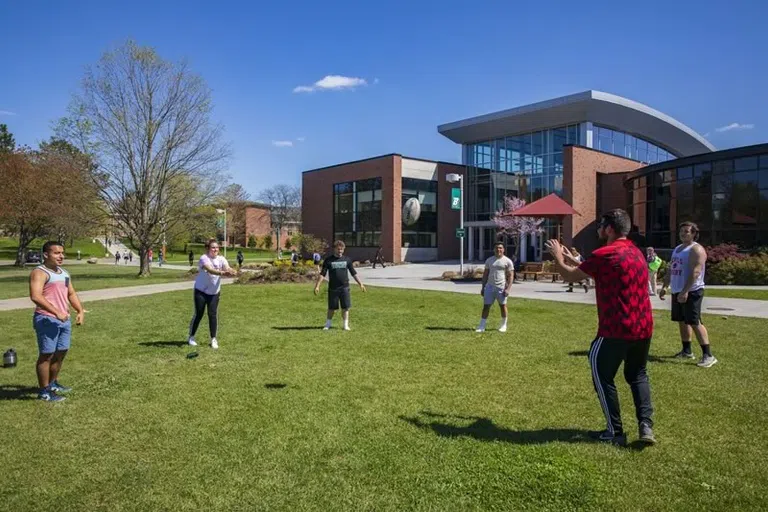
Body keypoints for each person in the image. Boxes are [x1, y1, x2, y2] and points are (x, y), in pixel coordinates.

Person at [546, 209, 655, 447]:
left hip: (616, 328)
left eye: (601, 225)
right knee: (637, 375)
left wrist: (557, 256)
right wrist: (574, 258)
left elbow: (569, 277)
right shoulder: (636, 253)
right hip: (643, 327)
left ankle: (614, 431)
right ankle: (645, 425)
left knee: (602, 374)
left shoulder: (606, 253)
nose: (598, 230)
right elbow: (600, 270)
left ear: (609, 229)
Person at [29, 241, 85, 402]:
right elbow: (35, 296)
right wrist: (56, 312)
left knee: (61, 352)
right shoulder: (39, 272)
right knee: (46, 354)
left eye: (62, 253)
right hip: (46, 319)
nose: (61, 256)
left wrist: (80, 310)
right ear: (46, 255)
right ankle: (44, 391)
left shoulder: (64, 272)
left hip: (63, 319)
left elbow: (71, 293)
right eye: (56, 253)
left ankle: (53, 383)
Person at [659, 222, 717, 368]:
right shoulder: (678, 249)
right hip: (678, 290)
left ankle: (708, 355)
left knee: (694, 321)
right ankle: (687, 351)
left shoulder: (696, 250)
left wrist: (685, 291)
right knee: (682, 320)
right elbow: (671, 269)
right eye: (681, 231)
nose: (683, 234)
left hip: (692, 291)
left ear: (693, 234)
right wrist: (665, 286)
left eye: (686, 231)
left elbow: (696, 273)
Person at [188, 238, 236, 349]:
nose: (215, 249)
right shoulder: (204, 258)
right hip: (201, 291)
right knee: (199, 314)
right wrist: (222, 272)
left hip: (214, 292)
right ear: (208, 249)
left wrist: (231, 270)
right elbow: (210, 270)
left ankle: (213, 339)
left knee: (212, 314)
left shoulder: (221, 259)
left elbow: (227, 267)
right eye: (213, 247)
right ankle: (191, 336)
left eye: (217, 247)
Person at [314, 240, 366, 331]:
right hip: (333, 288)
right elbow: (323, 274)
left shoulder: (347, 260)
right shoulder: (328, 260)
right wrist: (317, 286)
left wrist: (360, 284)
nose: (340, 251)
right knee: (332, 308)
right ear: (334, 249)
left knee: (345, 307)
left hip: (344, 288)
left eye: (342, 249)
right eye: (338, 249)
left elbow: (353, 273)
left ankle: (345, 325)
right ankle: (328, 324)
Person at [476, 242, 514, 333]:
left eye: (500, 248)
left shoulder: (508, 261)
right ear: (494, 249)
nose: (498, 250)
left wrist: (508, 289)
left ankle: (503, 325)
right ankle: (482, 326)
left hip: (501, 287)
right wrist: (483, 287)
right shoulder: (489, 260)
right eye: (497, 248)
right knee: (486, 306)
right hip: (489, 287)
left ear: (503, 249)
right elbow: (485, 275)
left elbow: (511, 276)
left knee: (503, 306)